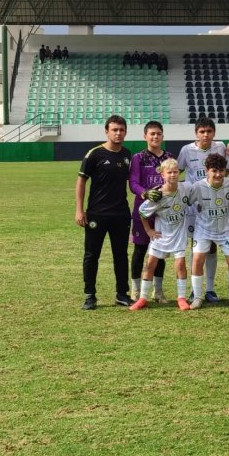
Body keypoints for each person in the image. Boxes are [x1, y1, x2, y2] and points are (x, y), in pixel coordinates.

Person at [76, 115, 133, 310]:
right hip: (97, 214)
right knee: (92, 255)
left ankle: (122, 294)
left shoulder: (127, 154)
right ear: (106, 131)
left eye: (121, 130)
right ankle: (90, 295)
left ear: (125, 131)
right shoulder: (94, 154)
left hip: (121, 214)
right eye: (114, 130)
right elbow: (81, 181)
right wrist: (79, 210)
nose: (118, 133)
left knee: (121, 255)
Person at [130, 159, 192, 310]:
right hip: (161, 235)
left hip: (178, 235)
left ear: (179, 173)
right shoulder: (157, 194)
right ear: (162, 174)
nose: (173, 175)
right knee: (150, 264)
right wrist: (148, 231)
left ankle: (181, 298)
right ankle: (143, 298)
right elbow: (142, 212)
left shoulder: (187, 187)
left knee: (180, 264)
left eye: (175, 172)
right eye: (169, 172)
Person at [177, 117, 227, 302]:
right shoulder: (186, 150)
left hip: (215, 203)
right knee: (196, 246)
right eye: (202, 131)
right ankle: (194, 288)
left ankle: (211, 289)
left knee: (212, 244)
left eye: (209, 131)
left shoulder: (220, 147)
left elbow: (227, 168)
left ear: (214, 133)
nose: (206, 135)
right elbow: (177, 170)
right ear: (196, 133)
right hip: (194, 204)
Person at [128, 121, 174, 303]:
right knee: (140, 251)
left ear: (162, 136)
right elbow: (133, 183)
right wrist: (145, 193)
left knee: (160, 252)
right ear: (145, 136)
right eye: (152, 134)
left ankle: (158, 292)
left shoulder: (169, 157)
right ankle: (136, 290)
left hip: (163, 213)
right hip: (143, 211)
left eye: (158, 134)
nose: (155, 137)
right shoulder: (139, 158)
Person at [188, 154, 229, 310]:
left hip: (226, 229)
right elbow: (190, 202)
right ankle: (197, 297)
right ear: (206, 171)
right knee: (197, 259)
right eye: (214, 170)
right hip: (203, 229)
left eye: (222, 171)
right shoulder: (198, 186)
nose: (218, 174)